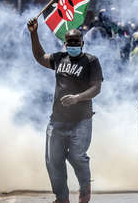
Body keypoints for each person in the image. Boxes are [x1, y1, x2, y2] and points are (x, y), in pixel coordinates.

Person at [27, 18, 103, 203]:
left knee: (77, 155)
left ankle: (85, 188)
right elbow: (39, 56)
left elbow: (96, 88)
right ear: (65, 43)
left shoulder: (91, 61)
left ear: (82, 43)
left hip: (81, 119)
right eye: (70, 42)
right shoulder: (60, 58)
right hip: (57, 119)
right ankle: (62, 198)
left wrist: (77, 98)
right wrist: (34, 33)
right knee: (54, 160)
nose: (73, 45)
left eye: (77, 42)